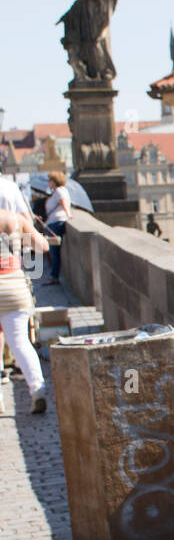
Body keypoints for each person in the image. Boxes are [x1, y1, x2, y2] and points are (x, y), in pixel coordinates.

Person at [0, 207, 50, 414]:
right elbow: (43, 246)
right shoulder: (15, 218)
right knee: (21, 342)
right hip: (14, 287)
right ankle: (37, 390)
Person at [43, 171, 72, 284]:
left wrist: (68, 215)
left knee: (54, 252)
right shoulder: (58, 191)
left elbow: (64, 204)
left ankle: (54, 276)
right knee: (53, 252)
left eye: (50, 180)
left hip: (56, 224)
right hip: (54, 223)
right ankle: (53, 275)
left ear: (54, 181)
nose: (48, 183)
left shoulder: (59, 191)